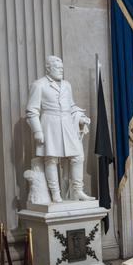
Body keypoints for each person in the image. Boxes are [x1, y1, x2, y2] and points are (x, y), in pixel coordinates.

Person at [26, 55, 93, 203]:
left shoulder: (67, 85)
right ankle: (55, 193)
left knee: (77, 156)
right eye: (57, 68)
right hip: (49, 124)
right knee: (51, 159)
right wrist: (37, 131)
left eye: (62, 68)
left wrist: (81, 118)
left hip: (67, 124)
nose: (61, 70)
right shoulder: (39, 85)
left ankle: (77, 190)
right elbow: (32, 110)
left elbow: (71, 106)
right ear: (48, 68)